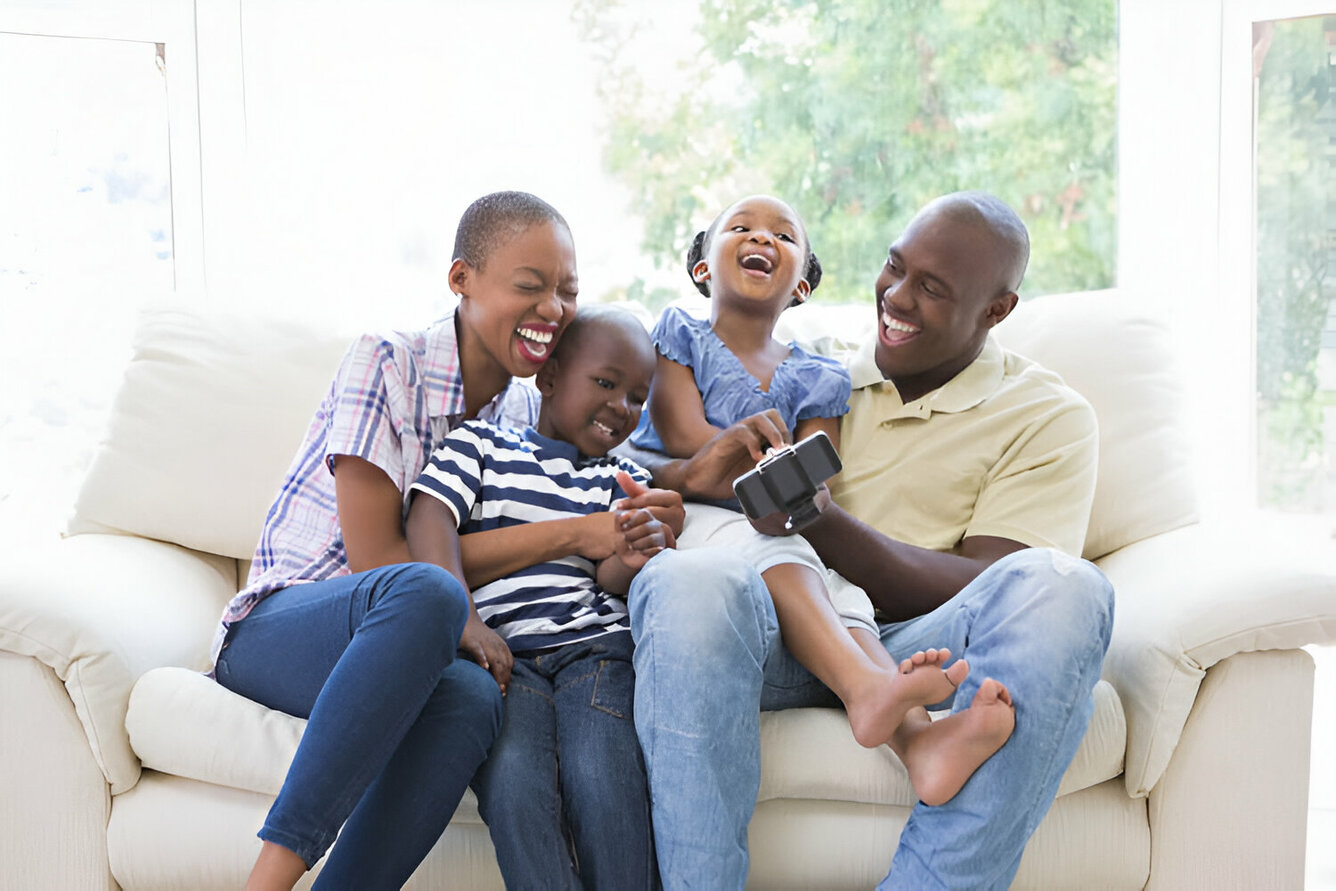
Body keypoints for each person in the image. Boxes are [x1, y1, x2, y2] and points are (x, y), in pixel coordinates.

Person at [626, 191, 1115, 890]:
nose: (897, 297)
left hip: (923, 644)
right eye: (895, 266)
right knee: (688, 580)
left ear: (997, 310)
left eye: (932, 289)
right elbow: (658, 446)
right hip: (771, 636)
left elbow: (993, 579)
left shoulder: (1046, 415)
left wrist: (820, 520)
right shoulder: (823, 378)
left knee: (1069, 589)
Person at [208, 190, 586, 891]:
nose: (553, 310)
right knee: (430, 594)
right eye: (529, 287)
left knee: (473, 698)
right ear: (461, 279)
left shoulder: (527, 415)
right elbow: (376, 559)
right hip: (283, 627)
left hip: (420, 645)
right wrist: (468, 613)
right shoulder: (387, 360)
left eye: (567, 291)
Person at [623, 193, 972, 760]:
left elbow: (815, 475)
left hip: (774, 523)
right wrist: (751, 459)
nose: (763, 238)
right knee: (780, 554)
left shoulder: (819, 375)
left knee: (845, 594)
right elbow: (686, 440)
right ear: (703, 269)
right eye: (741, 227)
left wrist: (788, 484)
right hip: (695, 512)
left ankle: (915, 738)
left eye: (784, 236)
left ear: (801, 287)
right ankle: (866, 692)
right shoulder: (680, 335)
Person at [405, 306, 678, 890]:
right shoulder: (480, 444)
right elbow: (429, 520)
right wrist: (465, 620)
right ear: (549, 377)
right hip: (505, 660)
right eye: (605, 383)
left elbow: (611, 578)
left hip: (596, 654)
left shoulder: (622, 479)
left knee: (602, 779)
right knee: (515, 787)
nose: (621, 407)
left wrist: (634, 553)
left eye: (637, 397)